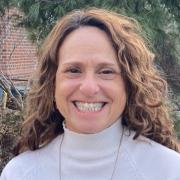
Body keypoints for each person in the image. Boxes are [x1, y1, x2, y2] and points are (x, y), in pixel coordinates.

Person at [1, 8, 180, 180]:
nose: (89, 88)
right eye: (73, 70)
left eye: (106, 72)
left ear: (129, 84)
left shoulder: (169, 171)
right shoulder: (19, 174)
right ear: (52, 83)